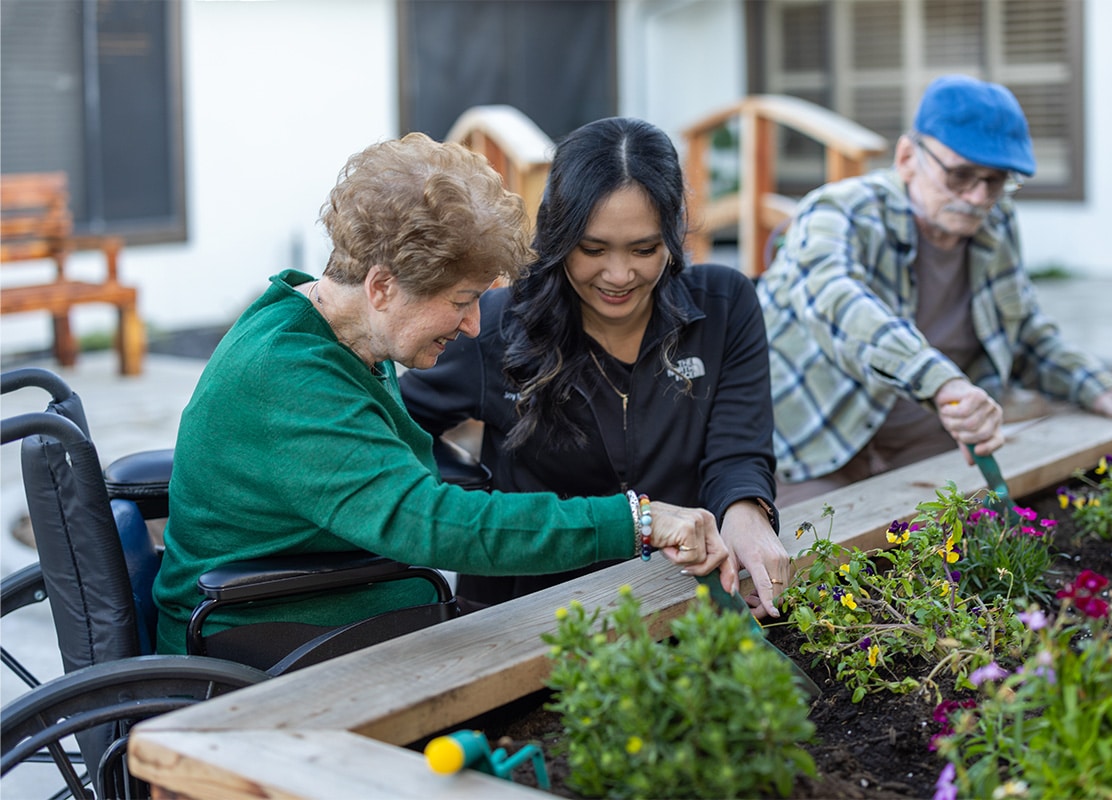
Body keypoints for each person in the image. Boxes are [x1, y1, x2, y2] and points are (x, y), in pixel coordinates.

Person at [152, 133, 737, 655]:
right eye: (461, 301)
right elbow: (429, 524)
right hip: (258, 639)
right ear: (382, 286)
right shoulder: (290, 380)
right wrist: (634, 520)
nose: (474, 326)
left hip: (334, 606)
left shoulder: (329, 327)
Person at [399, 117, 791, 619]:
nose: (619, 275)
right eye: (593, 249)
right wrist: (478, 500)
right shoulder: (493, 327)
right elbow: (399, 426)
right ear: (559, 236)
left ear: (672, 236)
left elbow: (738, 449)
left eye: (645, 249)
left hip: (680, 598)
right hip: (530, 614)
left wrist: (747, 515)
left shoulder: (724, 305)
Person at [758, 74, 1112, 506]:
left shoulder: (995, 221)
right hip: (813, 445)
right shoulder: (837, 210)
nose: (978, 197)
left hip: (927, 443)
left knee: (966, 552)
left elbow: (1026, 336)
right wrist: (941, 384)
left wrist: (1102, 389)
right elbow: (838, 304)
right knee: (814, 557)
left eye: (995, 180)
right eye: (960, 175)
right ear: (907, 157)